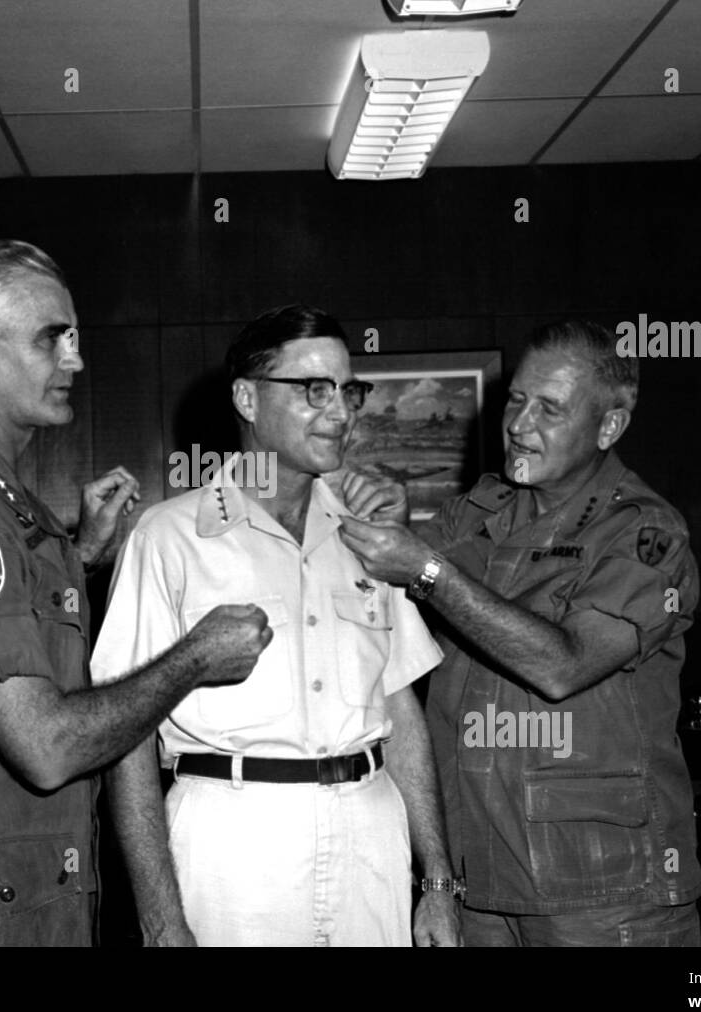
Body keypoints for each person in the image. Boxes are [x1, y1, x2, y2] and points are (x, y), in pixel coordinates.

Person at [0, 240, 273, 946]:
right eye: (52, 339)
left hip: (7, 892)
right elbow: (46, 746)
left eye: (72, 338)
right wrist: (193, 660)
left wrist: (81, 556)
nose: (74, 359)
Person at [91, 304, 461, 947]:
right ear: (247, 398)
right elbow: (125, 742)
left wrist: (437, 884)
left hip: (370, 840)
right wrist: (159, 919)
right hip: (231, 850)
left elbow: (401, 713)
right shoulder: (170, 538)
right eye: (314, 390)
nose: (342, 412)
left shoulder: (370, 538)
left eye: (349, 391)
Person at [339, 319, 701, 946]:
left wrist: (427, 570)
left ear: (607, 427)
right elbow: (387, 592)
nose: (518, 423)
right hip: (476, 878)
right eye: (516, 398)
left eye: (550, 409)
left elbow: (564, 664)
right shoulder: (479, 508)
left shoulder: (644, 534)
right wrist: (399, 533)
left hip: (601, 891)